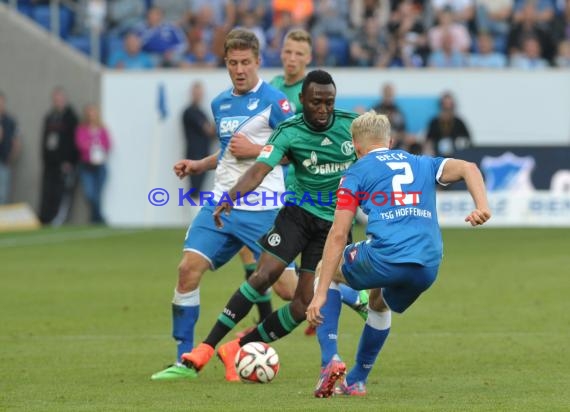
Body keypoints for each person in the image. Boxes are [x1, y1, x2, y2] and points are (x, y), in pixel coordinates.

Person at [180, 69, 359, 382]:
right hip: (297, 215)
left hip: (333, 227)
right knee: (265, 274)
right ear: (302, 100)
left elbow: (377, 155)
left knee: (303, 304)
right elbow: (259, 169)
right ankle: (206, 347)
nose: (323, 108)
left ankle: (237, 346)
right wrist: (231, 197)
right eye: (316, 102)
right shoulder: (289, 131)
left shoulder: (350, 127)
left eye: (328, 102)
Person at [306, 110, 491, 398]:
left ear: (355, 146)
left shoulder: (356, 171)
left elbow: (339, 234)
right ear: (390, 141)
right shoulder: (421, 162)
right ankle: (356, 381)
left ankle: (329, 360)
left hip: (385, 256)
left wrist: (318, 295)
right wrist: (482, 206)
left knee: (324, 270)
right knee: (379, 303)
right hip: (428, 264)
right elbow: (469, 168)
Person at [150, 28, 294, 381]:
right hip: (220, 206)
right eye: (233, 63)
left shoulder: (276, 101)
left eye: (246, 62)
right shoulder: (220, 103)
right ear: (226, 63)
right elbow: (231, 151)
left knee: (289, 291)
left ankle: (244, 341)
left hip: (263, 207)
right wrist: (200, 164)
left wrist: (258, 152)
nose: (240, 69)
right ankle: (184, 358)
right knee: (187, 269)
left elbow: (297, 152)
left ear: (258, 61)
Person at [268, 29, 368, 337]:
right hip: (270, 187)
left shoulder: (313, 92)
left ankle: (342, 297)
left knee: (284, 284)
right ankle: (321, 299)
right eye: (288, 51)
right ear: (280, 53)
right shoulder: (271, 89)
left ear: (309, 58)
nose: (292, 58)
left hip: (304, 197)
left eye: (299, 53)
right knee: (271, 278)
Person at [39, 87, 79, 225]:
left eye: (60, 99)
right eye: (55, 99)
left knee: (61, 192)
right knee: (48, 191)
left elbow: (74, 142)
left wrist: (69, 160)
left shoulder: (71, 118)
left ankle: (58, 218)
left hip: (64, 163)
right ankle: (45, 217)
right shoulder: (50, 117)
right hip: (50, 162)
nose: (58, 102)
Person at [75, 104, 111, 224]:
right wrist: (92, 146)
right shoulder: (82, 129)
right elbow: (80, 144)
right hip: (87, 166)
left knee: (97, 194)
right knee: (90, 193)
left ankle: (95, 219)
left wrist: (99, 149)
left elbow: (108, 145)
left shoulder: (102, 129)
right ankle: (99, 218)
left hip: (100, 166)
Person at [181, 81, 215, 195]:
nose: (198, 95)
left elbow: (212, 133)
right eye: (196, 92)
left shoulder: (201, 112)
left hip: (203, 156)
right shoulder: (190, 112)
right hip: (195, 157)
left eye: (200, 93)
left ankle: (194, 210)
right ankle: (193, 211)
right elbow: (209, 130)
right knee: (194, 190)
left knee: (198, 190)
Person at [424, 92, 471, 157]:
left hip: (456, 156)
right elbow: (428, 141)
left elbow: (467, 140)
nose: (447, 108)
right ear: (441, 106)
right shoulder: (434, 122)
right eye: (445, 106)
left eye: (450, 106)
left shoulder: (459, 122)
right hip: (437, 156)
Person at [0, 92, 21, 205]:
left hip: (4, 161)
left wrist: (12, 156)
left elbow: (16, 140)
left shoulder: (10, 121)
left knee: (3, 193)